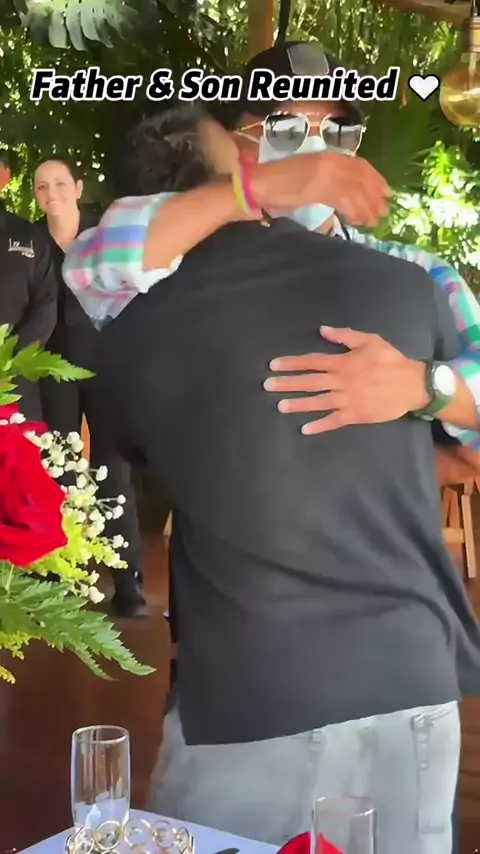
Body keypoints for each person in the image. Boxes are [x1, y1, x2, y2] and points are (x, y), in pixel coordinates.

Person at [88, 102, 480, 854]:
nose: (316, 147)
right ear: (244, 162)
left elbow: (139, 447)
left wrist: (424, 387)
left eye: (335, 128)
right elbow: (106, 252)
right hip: (408, 668)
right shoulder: (406, 288)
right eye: (284, 130)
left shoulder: (136, 329)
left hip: (255, 682)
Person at [33, 156, 148, 618]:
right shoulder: (30, 242)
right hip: (52, 369)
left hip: (108, 363)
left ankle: (128, 581)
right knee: (57, 468)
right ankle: (60, 575)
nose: (52, 193)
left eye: (60, 183)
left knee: (112, 470)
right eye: (42, 186)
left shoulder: (106, 235)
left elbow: (137, 292)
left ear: (78, 188)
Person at [0, 152, 57, 420]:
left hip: (16, 379)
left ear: (5, 176)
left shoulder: (28, 235)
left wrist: (10, 362)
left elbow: (46, 304)